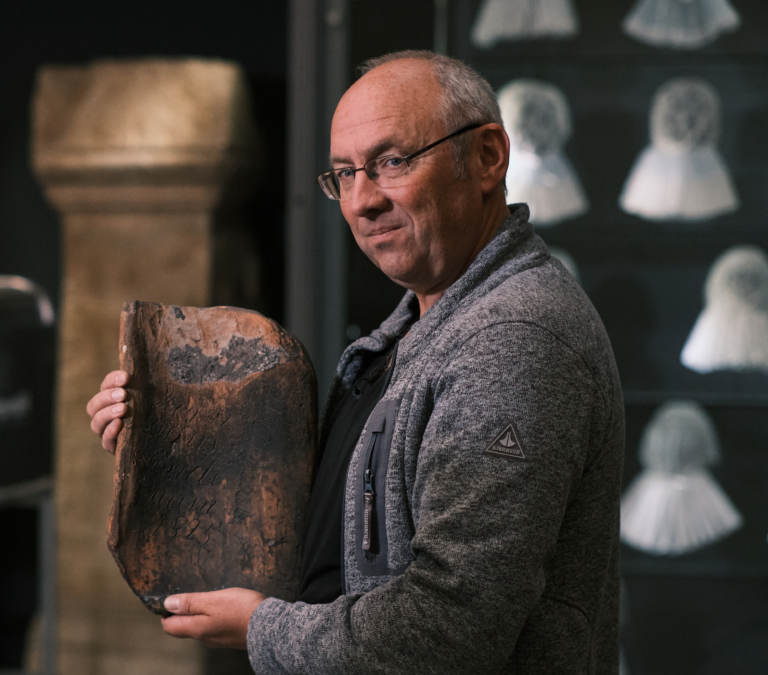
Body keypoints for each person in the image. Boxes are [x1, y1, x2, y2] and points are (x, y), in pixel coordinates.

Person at [87, 50, 623, 672]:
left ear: (487, 157)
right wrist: (169, 446)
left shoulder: (513, 341)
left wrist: (263, 628)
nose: (362, 200)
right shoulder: (420, 327)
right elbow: (337, 522)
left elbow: (448, 629)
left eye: (391, 162)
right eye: (344, 173)